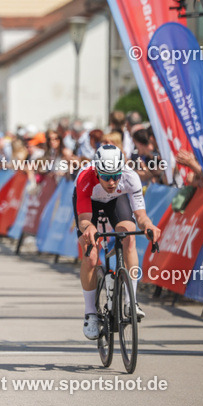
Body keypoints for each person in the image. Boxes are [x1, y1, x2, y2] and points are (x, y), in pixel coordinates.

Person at [74, 144, 161, 338]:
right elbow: (84, 220)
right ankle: (90, 313)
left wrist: (149, 226)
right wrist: (89, 230)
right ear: (97, 171)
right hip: (90, 205)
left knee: (129, 235)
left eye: (116, 176)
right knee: (91, 253)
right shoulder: (85, 178)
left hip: (116, 202)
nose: (112, 181)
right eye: (106, 177)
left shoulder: (130, 178)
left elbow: (141, 217)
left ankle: (131, 302)